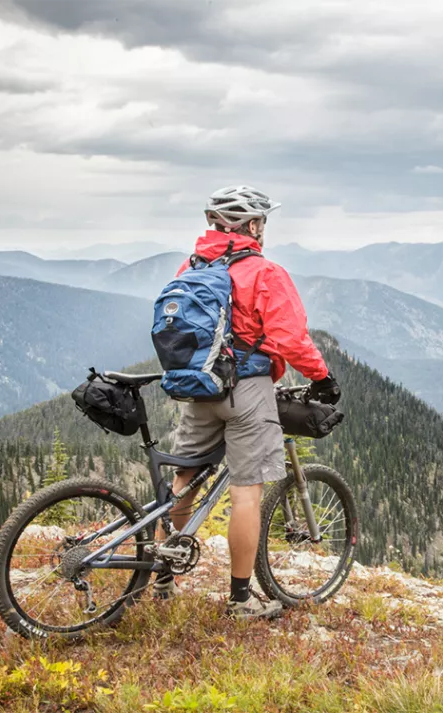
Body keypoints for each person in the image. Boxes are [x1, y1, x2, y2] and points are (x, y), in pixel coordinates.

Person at [154, 185, 341, 618]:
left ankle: (163, 578)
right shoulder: (265, 272)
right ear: (253, 226)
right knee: (246, 494)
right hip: (247, 390)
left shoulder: (191, 266)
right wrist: (322, 378)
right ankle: (239, 600)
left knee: (185, 478)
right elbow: (289, 339)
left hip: (198, 386)